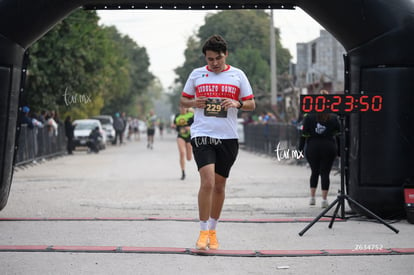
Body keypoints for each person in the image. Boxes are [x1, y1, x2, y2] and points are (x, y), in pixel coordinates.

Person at [180, 34, 255, 250]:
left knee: (220, 186)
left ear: (226, 55)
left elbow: (251, 103)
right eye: (210, 59)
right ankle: (202, 232)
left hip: (228, 137)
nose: (213, 63)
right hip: (202, 133)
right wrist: (194, 102)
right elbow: (183, 100)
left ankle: (213, 230)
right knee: (208, 182)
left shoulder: (238, 75)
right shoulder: (197, 74)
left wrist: (236, 103)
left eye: (218, 59)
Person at [299, 90, 340, 208]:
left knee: (314, 172)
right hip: (329, 147)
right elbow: (338, 135)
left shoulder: (309, 116)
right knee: (325, 173)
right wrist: (340, 151)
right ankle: (324, 200)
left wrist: (300, 150)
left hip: (313, 147)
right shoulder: (333, 117)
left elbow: (303, 135)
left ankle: (312, 198)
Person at [173, 106, 194, 180]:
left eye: (184, 107)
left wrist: (190, 128)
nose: (182, 108)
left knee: (189, 158)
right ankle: (183, 172)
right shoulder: (177, 116)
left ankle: (188, 157)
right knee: (182, 153)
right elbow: (175, 124)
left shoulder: (191, 115)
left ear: (187, 108)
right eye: (181, 107)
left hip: (189, 136)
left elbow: (197, 125)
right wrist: (173, 126)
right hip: (180, 136)